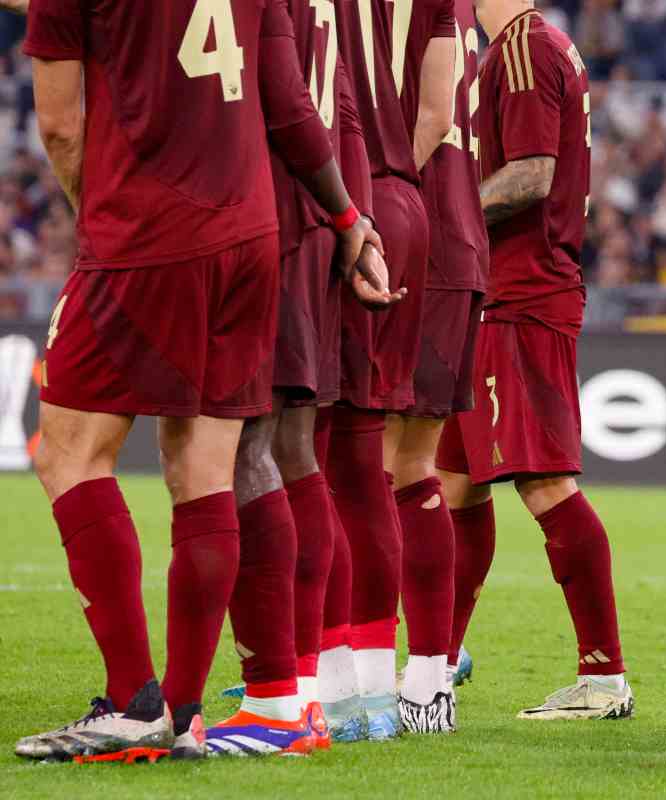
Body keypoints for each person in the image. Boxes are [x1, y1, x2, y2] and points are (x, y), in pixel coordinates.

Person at [16, 0, 388, 762]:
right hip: (252, 238)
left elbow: (58, 126)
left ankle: (131, 704)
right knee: (205, 469)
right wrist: (349, 220)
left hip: (145, 234)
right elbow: (287, 105)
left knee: (68, 453)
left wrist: (100, 219)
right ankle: (184, 715)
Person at [205, 0, 400, 757]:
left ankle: (281, 700)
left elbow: (289, 102)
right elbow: (342, 111)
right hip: (318, 221)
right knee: (295, 454)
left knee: (253, 451)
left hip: (276, 217)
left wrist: (350, 221)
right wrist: (353, 221)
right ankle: (308, 692)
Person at [436, 0, 634, 721]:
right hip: (499, 294)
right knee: (455, 486)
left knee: (546, 485)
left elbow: (531, 174)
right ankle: (436, 660)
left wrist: (443, 216)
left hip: (523, 297)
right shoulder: (534, 45)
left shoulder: (522, 47)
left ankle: (604, 677)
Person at [321, 0, 456, 741]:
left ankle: (320, 682)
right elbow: (436, 112)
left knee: (304, 455)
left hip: (338, 202)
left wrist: (350, 212)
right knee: (373, 461)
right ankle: (377, 690)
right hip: (407, 202)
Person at [397, 0, 490, 729]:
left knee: (362, 463)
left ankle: (335, 674)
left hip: (402, 238)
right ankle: (427, 679)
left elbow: (425, 121)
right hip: (454, 243)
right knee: (417, 471)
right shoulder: (461, 13)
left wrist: (357, 208)